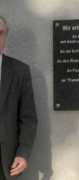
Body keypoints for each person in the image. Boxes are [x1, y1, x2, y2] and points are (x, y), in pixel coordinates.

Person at [0, 16, 38, 179]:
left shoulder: (20, 71)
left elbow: (28, 119)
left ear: (6, 35)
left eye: (0, 33)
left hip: (4, 162)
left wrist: (23, 153)